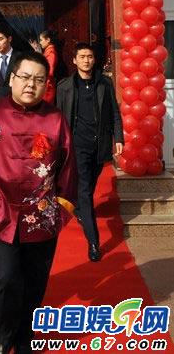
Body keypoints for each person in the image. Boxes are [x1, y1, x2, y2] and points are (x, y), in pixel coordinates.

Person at [0, 52, 77, 354]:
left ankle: (25, 336)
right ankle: (2, 336)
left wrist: (63, 205)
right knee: (5, 277)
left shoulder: (55, 120)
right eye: (25, 77)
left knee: (35, 282)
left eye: (39, 79)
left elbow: (68, 166)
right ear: (11, 78)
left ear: (46, 84)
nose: (31, 85)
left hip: (41, 215)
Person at [56, 42, 124, 262]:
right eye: (82, 57)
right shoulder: (64, 87)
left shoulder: (105, 83)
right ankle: (93, 242)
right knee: (85, 191)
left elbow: (115, 113)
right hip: (77, 145)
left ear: (94, 60)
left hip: (100, 144)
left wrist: (118, 138)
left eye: (90, 57)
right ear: (74, 60)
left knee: (90, 184)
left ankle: (78, 208)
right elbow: (58, 118)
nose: (86, 60)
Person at [30, 30, 58, 103]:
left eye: (41, 40)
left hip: (47, 88)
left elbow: (49, 72)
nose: (40, 42)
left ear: (48, 40)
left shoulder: (51, 53)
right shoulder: (47, 52)